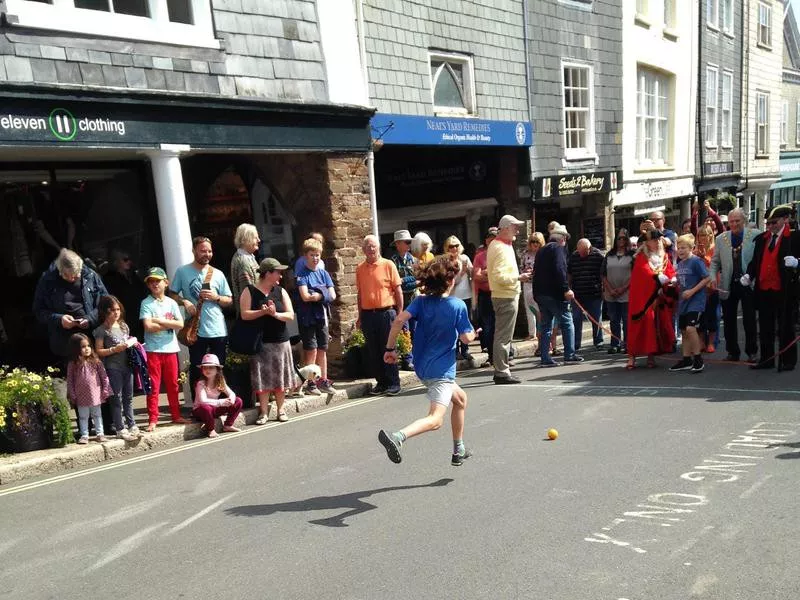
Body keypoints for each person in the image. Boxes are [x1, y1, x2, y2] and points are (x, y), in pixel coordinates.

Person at [378, 255, 476, 466]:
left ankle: (458, 449)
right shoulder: (457, 306)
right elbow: (466, 337)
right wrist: (473, 334)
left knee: (460, 399)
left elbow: (398, 321)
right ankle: (398, 437)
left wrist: (390, 349)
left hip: (423, 368)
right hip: (441, 373)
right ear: (450, 281)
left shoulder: (420, 302)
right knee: (435, 419)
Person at [169, 236, 234, 394]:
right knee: (197, 367)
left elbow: (229, 300)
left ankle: (219, 402)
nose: (207, 254)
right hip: (196, 329)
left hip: (218, 328)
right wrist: (185, 301)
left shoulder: (217, 273)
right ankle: (199, 403)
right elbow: (171, 294)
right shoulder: (182, 271)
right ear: (194, 251)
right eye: (203, 251)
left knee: (219, 367)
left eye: (209, 251)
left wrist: (216, 297)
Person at [240, 258, 298, 424]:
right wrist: (262, 312)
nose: (280, 275)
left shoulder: (280, 291)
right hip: (260, 342)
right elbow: (244, 314)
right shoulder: (249, 291)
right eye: (277, 272)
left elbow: (290, 315)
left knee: (280, 378)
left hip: (281, 341)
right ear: (267, 274)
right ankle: (263, 412)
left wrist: (274, 314)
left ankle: (281, 410)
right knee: (263, 380)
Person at [743, 204, 800, 371]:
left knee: (786, 325)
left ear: (785, 220)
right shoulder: (763, 239)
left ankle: (788, 360)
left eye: (774, 222)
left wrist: (797, 263)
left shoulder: (795, 238)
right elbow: (755, 262)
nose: (770, 226)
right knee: (766, 326)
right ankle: (767, 359)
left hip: (785, 289)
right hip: (764, 289)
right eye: (768, 223)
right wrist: (749, 275)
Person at [33, 248, 108, 362]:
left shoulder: (91, 275)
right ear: (60, 271)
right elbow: (39, 311)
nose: (72, 278)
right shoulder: (47, 281)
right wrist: (59, 319)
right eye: (67, 276)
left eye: (75, 275)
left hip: (92, 338)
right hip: (65, 343)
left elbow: (106, 304)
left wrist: (90, 319)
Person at [709, 208, 760, 362]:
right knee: (729, 320)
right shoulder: (721, 238)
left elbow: (759, 259)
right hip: (728, 283)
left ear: (744, 220)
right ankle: (732, 352)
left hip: (747, 283)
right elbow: (715, 262)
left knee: (749, 319)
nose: (734, 224)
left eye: (737, 220)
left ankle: (752, 352)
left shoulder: (756, 235)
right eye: (731, 221)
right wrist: (712, 277)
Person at [139, 267, 186, 432]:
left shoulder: (172, 303)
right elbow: (148, 326)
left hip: (171, 349)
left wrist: (159, 320)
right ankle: (153, 419)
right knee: (154, 386)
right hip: (153, 350)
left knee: (173, 384)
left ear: (166, 283)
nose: (154, 284)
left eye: (157, 281)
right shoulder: (146, 303)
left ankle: (176, 415)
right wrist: (167, 323)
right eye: (151, 282)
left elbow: (180, 324)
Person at [356, 235, 403, 396]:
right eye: (367, 246)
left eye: (373, 246)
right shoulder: (360, 268)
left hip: (386, 312)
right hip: (369, 314)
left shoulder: (388, 264)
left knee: (388, 347)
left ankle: (393, 382)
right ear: (363, 249)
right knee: (373, 350)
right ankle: (381, 382)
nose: (370, 249)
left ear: (379, 248)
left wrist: (400, 313)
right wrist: (360, 316)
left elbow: (398, 290)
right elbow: (360, 294)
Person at [487, 214, 530, 384]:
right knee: (503, 336)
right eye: (514, 227)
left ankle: (502, 370)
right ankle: (502, 372)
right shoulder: (499, 247)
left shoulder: (501, 245)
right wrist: (518, 278)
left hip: (505, 294)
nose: (517, 231)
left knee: (503, 335)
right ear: (504, 228)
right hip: (505, 295)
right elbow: (498, 276)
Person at [626, 229, 677, 369]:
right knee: (638, 326)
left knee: (654, 326)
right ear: (647, 242)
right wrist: (655, 278)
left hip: (659, 297)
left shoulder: (664, 256)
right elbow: (642, 272)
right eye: (654, 240)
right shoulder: (641, 256)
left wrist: (672, 278)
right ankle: (631, 357)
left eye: (659, 239)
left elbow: (670, 270)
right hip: (643, 298)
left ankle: (651, 356)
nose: (657, 242)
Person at [534, 224, 581, 367]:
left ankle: (545, 357)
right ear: (563, 238)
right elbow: (560, 269)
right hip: (555, 294)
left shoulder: (541, 250)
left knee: (546, 325)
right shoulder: (558, 249)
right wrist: (566, 289)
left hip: (540, 293)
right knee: (567, 322)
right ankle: (570, 354)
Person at [93, 295, 138, 441]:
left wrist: (133, 343)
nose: (116, 313)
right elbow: (98, 351)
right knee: (116, 398)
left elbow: (127, 340)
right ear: (105, 312)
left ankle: (132, 425)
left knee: (128, 397)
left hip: (127, 365)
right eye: (112, 310)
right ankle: (120, 428)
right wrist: (114, 349)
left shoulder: (123, 326)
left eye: (118, 309)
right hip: (113, 367)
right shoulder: (101, 330)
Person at [296, 237, 337, 394]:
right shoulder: (302, 274)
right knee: (311, 350)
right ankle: (310, 383)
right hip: (308, 317)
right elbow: (305, 296)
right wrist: (323, 292)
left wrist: (318, 294)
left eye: (318, 255)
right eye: (312, 255)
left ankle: (323, 381)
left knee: (322, 349)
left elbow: (332, 295)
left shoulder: (324, 273)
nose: (315, 258)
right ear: (306, 256)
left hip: (322, 316)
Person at [670, 235, 710, 373]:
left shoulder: (696, 261)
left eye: (683, 248)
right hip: (683, 302)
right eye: (678, 248)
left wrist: (692, 291)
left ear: (691, 248)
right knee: (683, 330)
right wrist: (675, 282)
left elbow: (706, 278)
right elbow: (682, 281)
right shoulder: (680, 264)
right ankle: (686, 359)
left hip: (696, 301)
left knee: (690, 328)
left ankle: (698, 359)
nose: (680, 250)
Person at [66, 332, 113, 444]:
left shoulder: (96, 361)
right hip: (81, 395)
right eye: (83, 347)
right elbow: (70, 380)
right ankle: (84, 435)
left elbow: (104, 376)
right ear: (75, 349)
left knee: (97, 415)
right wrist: (72, 394)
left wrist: (105, 389)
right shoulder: (73, 364)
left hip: (95, 394)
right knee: (83, 416)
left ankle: (100, 433)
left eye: (88, 346)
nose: (87, 349)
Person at [568, 238, 605, 352]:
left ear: (589, 248)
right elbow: (569, 274)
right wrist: (569, 288)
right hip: (578, 294)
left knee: (596, 318)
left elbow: (603, 273)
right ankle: (576, 343)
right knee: (576, 319)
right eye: (579, 251)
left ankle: (598, 341)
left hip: (594, 293)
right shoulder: (574, 256)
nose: (581, 254)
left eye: (583, 252)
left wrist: (603, 289)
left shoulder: (598, 255)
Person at [193, 353, 243, 438]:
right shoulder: (201, 383)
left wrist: (231, 399)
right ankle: (211, 430)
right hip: (201, 411)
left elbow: (231, 393)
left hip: (214, 409)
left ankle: (228, 425)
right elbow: (203, 401)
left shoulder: (220, 381)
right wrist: (221, 402)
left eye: (211, 367)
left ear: (217, 370)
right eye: (205, 368)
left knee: (238, 401)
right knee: (206, 408)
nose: (207, 370)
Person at [103, 248, 148, 340]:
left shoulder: (134, 275)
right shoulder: (109, 278)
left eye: (129, 259)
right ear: (116, 262)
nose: (129, 262)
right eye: (125, 259)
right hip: (124, 317)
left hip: (139, 315)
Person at [390, 229, 418, 371]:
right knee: (405, 328)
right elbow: (394, 283)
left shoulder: (413, 259)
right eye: (406, 242)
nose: (408, 245)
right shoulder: (392, 262)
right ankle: (408, 359)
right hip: (401, 299)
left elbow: (417, 278)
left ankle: (414, 356)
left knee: (414, 328)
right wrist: (401, 282)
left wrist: (402, 280)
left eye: (409, 242)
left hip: (413, 297)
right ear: (398, 244)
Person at [602, 229, 634, 354]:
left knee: (626, 320)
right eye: (619, 238)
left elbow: (636, 274)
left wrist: (623, 288)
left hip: (626, 292)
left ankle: (627, 344)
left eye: (624, 238)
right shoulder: (609, 255)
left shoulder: (632, 255)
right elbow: (603, 274)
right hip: (611, 293)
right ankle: (615, 343)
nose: (621, 241)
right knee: (614, 319)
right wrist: (609, 289)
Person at [445, 235, 475, 364]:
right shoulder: (446, 262)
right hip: (453, 297)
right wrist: (461, 272)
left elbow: (473, 276)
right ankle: (455, 350)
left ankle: (465, 349)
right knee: (454, 324)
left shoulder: (465, 258)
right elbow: (451, 282)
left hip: (466, 295)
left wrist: (469, 270)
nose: (454, 248)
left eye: (456, 245)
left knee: (465, 323)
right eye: (451, 246)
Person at [472, 227, 497, 367]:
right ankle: (491, 355)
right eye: (490, 238)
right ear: (486, 241)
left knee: (501, 325)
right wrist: (490, 273)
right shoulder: (480, 257)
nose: (492, 240)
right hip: (486, 295)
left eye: (495, 238)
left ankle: (504, 355)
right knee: (488, 326)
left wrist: (486, 273)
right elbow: (477, 276)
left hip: (500, 292)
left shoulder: (502, 254)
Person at [694, 224, 719, 353]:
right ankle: (702, 342)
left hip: (712, 287)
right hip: (699, 287)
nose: (702, 237)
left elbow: (715, 266)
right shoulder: (695, 250)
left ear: (711, 235)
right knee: (701, 317)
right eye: (700, 235)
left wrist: (704, 257)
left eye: (704, 234)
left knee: (712, 316)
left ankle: (711, 342)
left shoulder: (715, 249)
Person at [229, 223, 261, 316]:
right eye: (255, 237)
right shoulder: (243, 261)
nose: (258, 240)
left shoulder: (247, 257)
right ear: (246, 239)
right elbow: (248, 292)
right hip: (252, 313)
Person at [520, 232, 544, 344]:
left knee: (540, 308)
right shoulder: (525, 254)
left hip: (539, 283)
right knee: (529, 308)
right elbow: (521, 268)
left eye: (537, 241)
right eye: (532, 241)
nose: (535, 244)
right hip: (527, 283)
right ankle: (532, 333)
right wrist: (524, 272)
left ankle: (542, 331)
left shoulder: (543, 253)